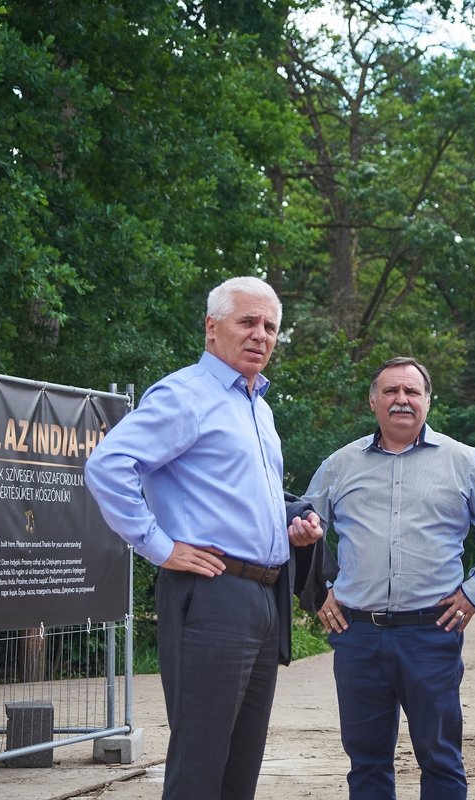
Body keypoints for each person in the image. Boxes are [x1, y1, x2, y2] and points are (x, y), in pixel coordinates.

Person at [84, 276, 322, 800]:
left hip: (263, 597)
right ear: (212, 328)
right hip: (212, 594)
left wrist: (290, 531)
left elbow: (237, 500)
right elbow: (107, 466)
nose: (261, 335)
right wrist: (160, 547)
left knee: (240, 768)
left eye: (270, 327)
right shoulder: (186, 394)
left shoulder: (259, 407)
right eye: (248, 322)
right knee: (200, 766)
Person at [290, 356, 475, 800]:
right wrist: (316, 591)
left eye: (412, 391)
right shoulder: (340, 465)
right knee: (367, 762)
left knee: (440, 758)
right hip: (357, 635)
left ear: (428, 401)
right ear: (373, 401)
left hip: (431, 632)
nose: (402, 399)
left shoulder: (463, 461)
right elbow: (301, 528)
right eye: (391, 391)